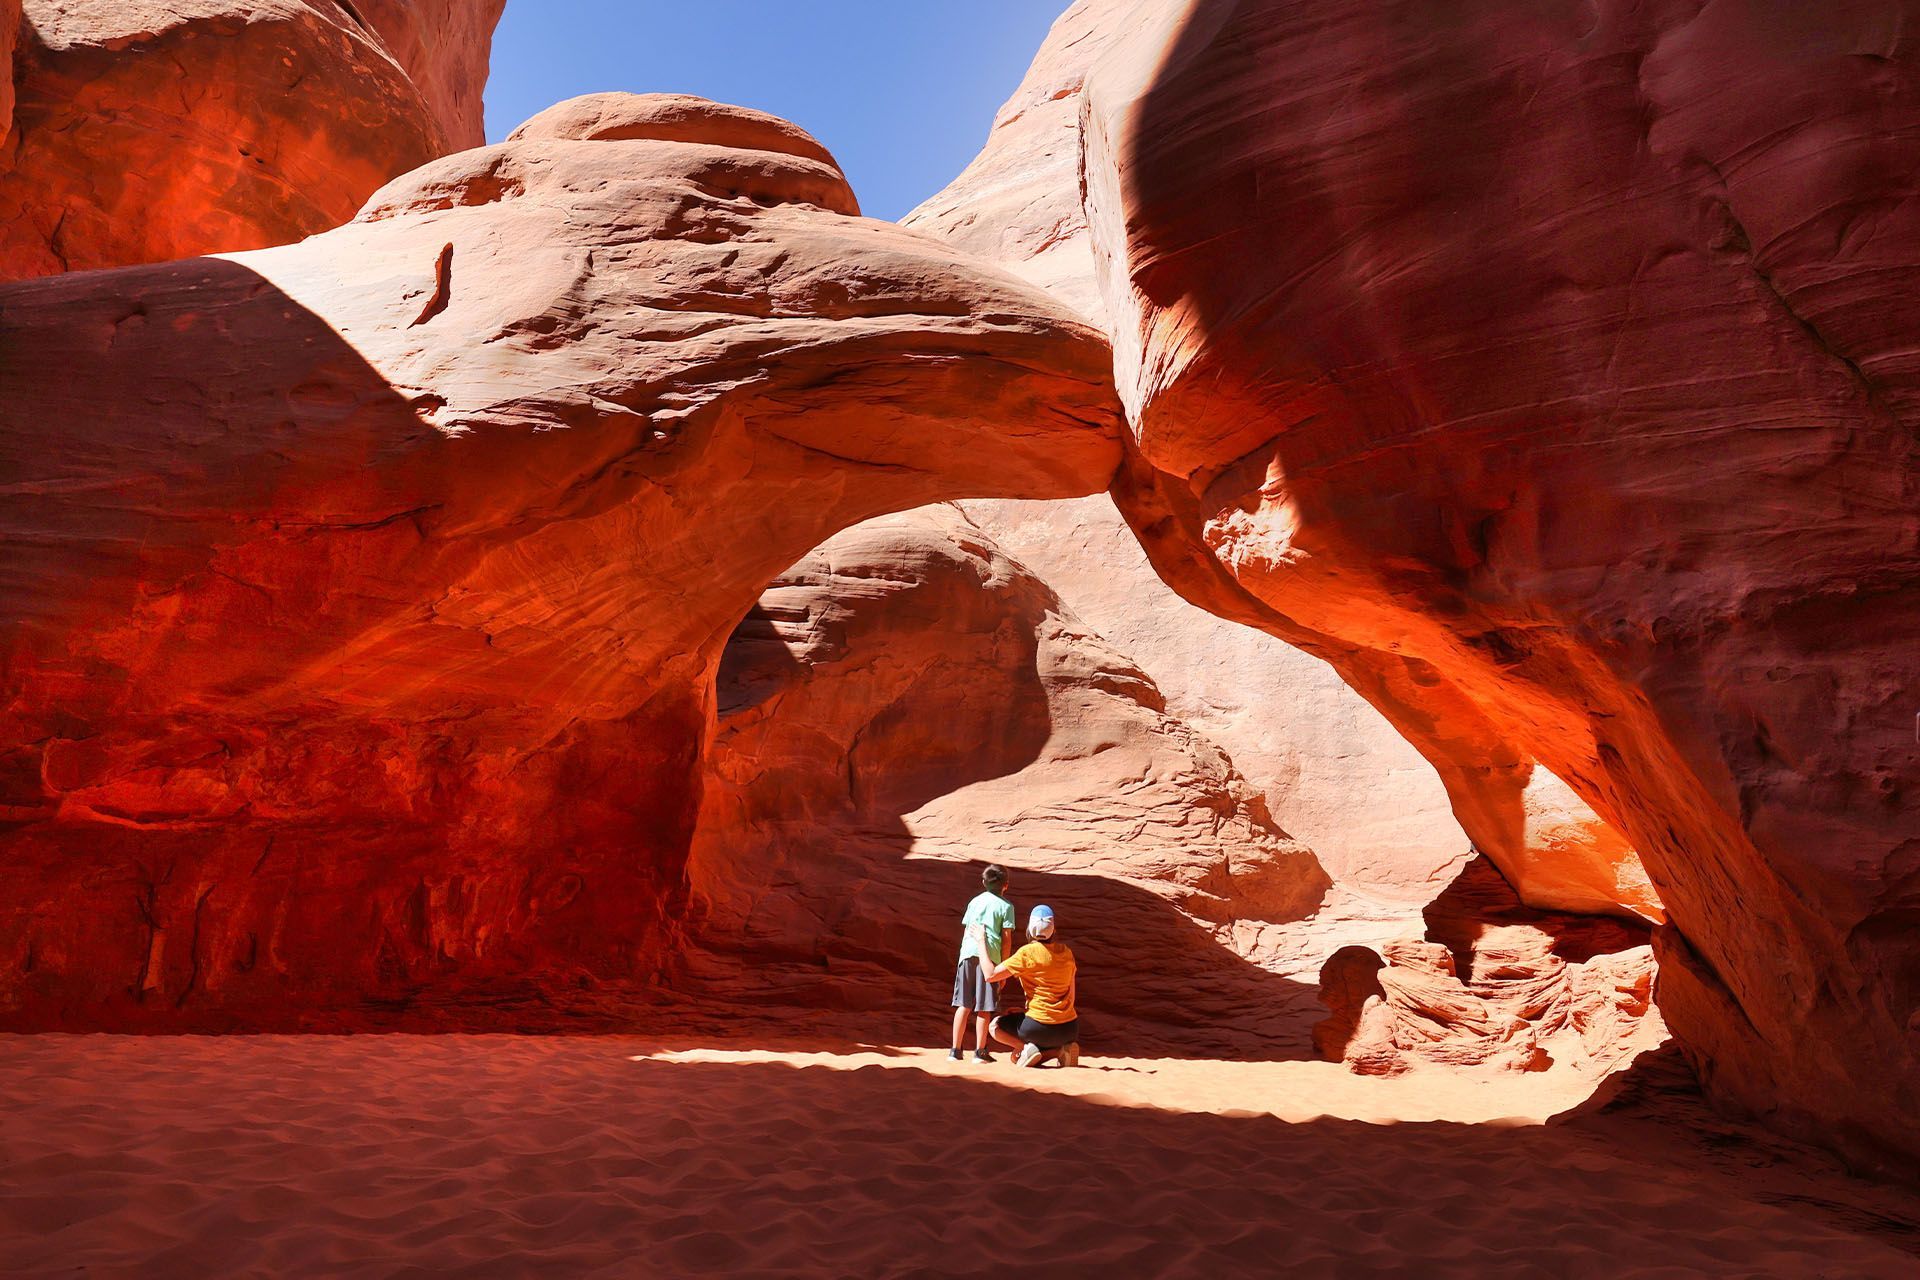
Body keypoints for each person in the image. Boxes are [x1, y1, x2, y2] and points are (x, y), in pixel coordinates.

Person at [981, 904, 1079, 1068]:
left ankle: (1026, 1049)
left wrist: (980, 942)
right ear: (1053, 930)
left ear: (1030, 929)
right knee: (1043, 1031)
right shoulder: (1067, 953)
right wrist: (1026, 1012)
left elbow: (990, 975)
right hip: (1069, 1028)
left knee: (995, 1026)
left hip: (1038, 1028)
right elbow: (1071, 996)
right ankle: (1061, 1051)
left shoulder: (1027, 952)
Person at [950, 864, 1015, 1062]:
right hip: (990, 958)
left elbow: (967, 929)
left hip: (968, 954)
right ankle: (980, 1051)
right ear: (1006, 885)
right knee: (984, 1006)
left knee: (964, 1004)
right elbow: (1006, 939)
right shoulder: (1006, 907)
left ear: (983, 883)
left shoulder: (974, 902)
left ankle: (955, 1050)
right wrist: (1002, 968)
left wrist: (963, 955)